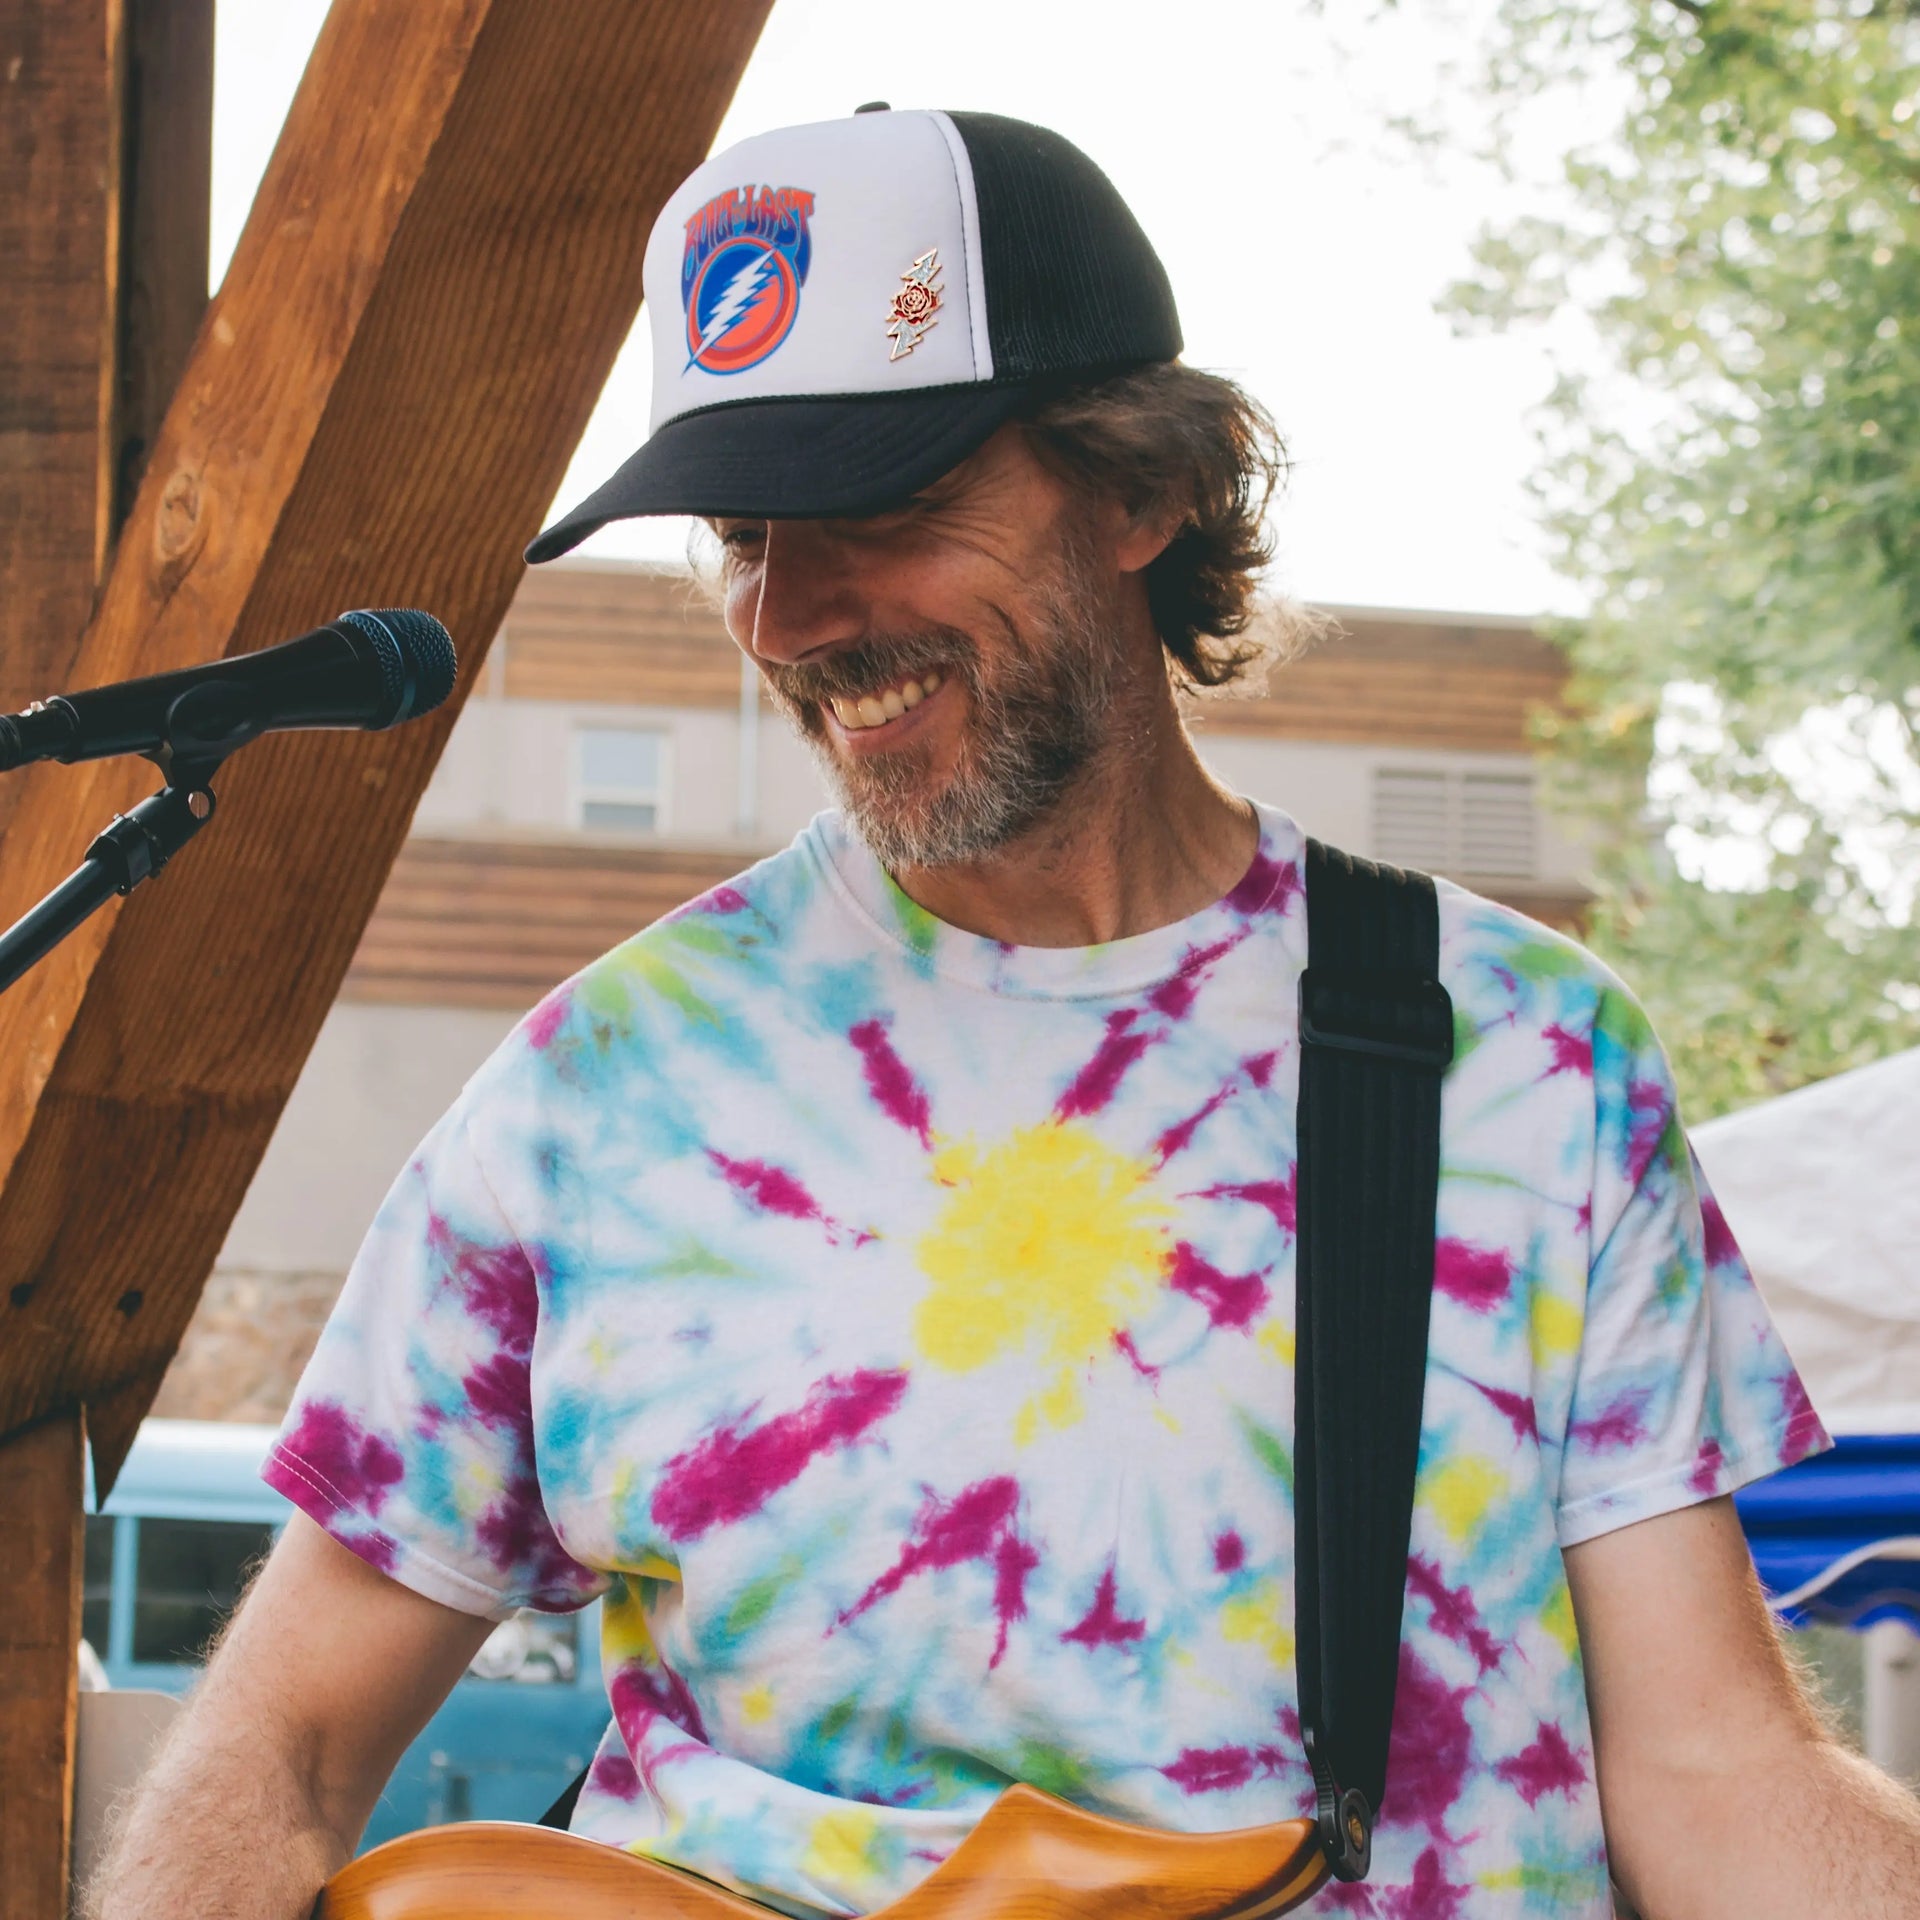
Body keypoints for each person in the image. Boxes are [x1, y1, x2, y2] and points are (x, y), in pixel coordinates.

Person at [88, 107, 1920, 1920]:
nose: (791, 617)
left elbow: (1713, 1772)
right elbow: (282, 1753)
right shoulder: (600, 1093)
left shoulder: (1517, 1055)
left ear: (1146, 487)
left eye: (882, 511)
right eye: (743, 534)